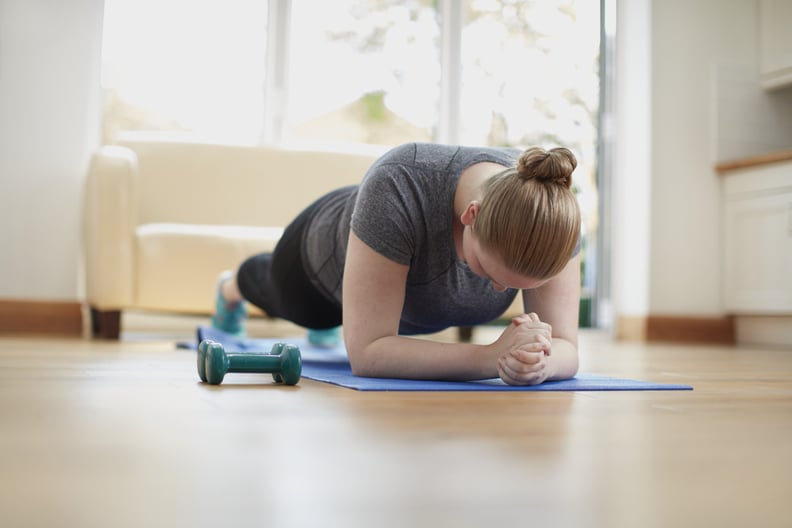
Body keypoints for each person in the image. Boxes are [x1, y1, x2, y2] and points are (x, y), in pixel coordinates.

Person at [212, 142, 582, 386]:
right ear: (472, 214)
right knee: (290, 300)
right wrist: (491, 358)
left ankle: (351, 318)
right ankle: (231, 287)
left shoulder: (551, 221)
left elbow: (566, 347)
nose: (500, 291)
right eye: (487, 271)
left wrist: (539, 364)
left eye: (520, 286)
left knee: (352, 324)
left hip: (399, 299)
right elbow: (369, 354)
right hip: (315, 265)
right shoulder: (400, 183)